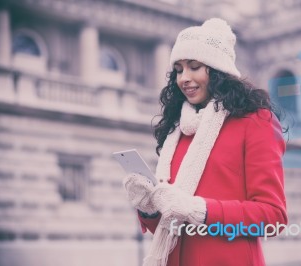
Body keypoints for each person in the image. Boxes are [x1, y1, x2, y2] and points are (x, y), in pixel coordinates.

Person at [123, 18, 287, 266]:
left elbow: (273, 216)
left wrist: (199, 209)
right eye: (178, 70)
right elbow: (170, 224)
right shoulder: (176, 130)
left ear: (217, 69)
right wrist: (148, 207)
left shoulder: (256, 121)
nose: (183, 78)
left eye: (194, 66)